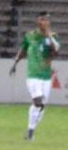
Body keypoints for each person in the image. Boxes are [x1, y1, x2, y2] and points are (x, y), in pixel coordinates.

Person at [10, 11, 60, 141]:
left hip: (46, 76)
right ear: (38, 22)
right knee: (38, 102)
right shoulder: (30, 36)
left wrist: (49, 38)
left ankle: (31, 130)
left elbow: (56, 52)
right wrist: (15, 62)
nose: (44, 22)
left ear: (49, 22)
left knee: (42, 106)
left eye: (46, 20)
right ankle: (31, 131)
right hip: (33, 75)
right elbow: (23, 49)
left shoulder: (53, 37)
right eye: (42, 19)